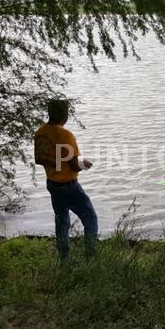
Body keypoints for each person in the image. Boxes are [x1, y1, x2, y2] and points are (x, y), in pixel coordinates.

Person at [34, 99, 98, 261]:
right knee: (89, 217)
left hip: (52, 184)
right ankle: (91, 256)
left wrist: (59, 161)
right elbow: (74, 164)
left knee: (61, 219)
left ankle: (64, 259)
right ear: (64, 115)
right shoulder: (65, 134)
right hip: (68, 185)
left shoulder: (40, 132)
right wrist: (86, 164)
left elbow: (39, 159)